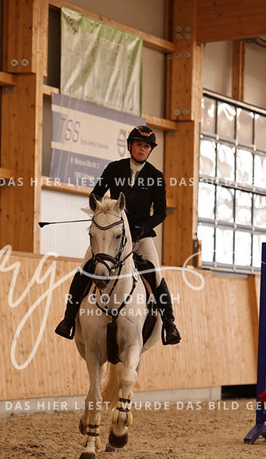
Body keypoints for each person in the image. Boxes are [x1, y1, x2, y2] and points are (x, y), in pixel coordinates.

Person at [55, 125, 181, 345]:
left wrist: (142, 228)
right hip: (111, 235)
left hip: (140, 236)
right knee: (84, 269)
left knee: (156, 274)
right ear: (130, 146)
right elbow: (96, 195)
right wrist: (104, 216)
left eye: (147, 146)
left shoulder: (156, 176)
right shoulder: (114, 168)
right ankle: (68, 320)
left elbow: (161, 212)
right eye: (139, 145)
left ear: (150, 150)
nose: (142, 149)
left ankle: (169, 324)